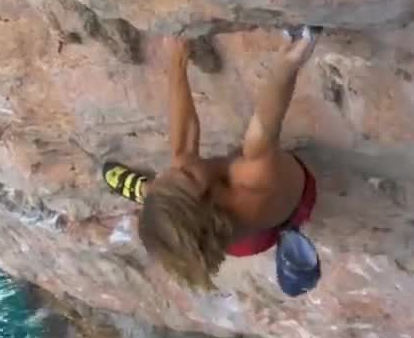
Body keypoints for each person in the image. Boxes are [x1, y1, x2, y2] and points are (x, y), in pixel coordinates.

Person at [102, 27, 321, 294]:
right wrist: (292, 58)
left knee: (171, 191)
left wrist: (177, 60)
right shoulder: (254, 181)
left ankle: (145, 193)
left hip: (218, 233)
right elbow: (265, 124)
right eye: (185, 177)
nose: (177, 164)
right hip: (283, 208)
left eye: (166, 177)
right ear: (211, 199)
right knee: (198, 168)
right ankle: (148, 193)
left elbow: (183, 146)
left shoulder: (203, 221)